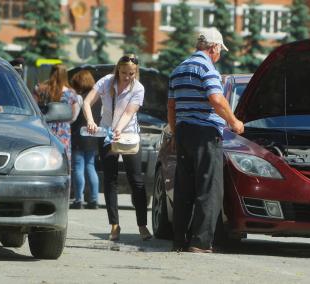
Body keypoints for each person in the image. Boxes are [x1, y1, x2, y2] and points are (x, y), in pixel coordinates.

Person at [168, 28, 244, 253]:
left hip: (183, 132)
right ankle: (200, 242)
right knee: (209, 189)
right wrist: (234, 121)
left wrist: (175, 134)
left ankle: (179, 240)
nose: (220, 53)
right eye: (220, 49)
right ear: (214, 47)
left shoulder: (178, 69)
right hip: (205, 134)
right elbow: (216, 99)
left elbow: (171, 107)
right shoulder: (207, 68)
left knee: (184, 188)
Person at [82, 54, 152, 241]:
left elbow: (129, 113)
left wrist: (118, 130)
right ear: (117, 70)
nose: (127, 77)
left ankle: (142, 225)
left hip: (128, 134)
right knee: (110, 179)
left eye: (131, 73)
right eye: (123, 73)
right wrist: (90, 120)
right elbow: (87, 102)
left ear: (136, 72)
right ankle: (114, 225)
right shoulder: (106, 81)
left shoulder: (138, 88)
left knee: (136, 180)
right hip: (106, 133)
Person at [69, 70, 102, 209]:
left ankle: (78, 199)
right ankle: (94, 199)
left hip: (79, 135)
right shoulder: (98, 98)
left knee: (78, 167)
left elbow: (73, 118)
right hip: (93, 136)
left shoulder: (79, 97)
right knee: (90, 166)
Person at [33, 64, 78, 162]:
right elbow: (73, 115)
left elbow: (33, 107)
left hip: (45, 126)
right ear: (65, 75)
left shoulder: (41, 89)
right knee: (63, 157)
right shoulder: (71, 93)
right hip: (64, 129)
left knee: (45, 156)